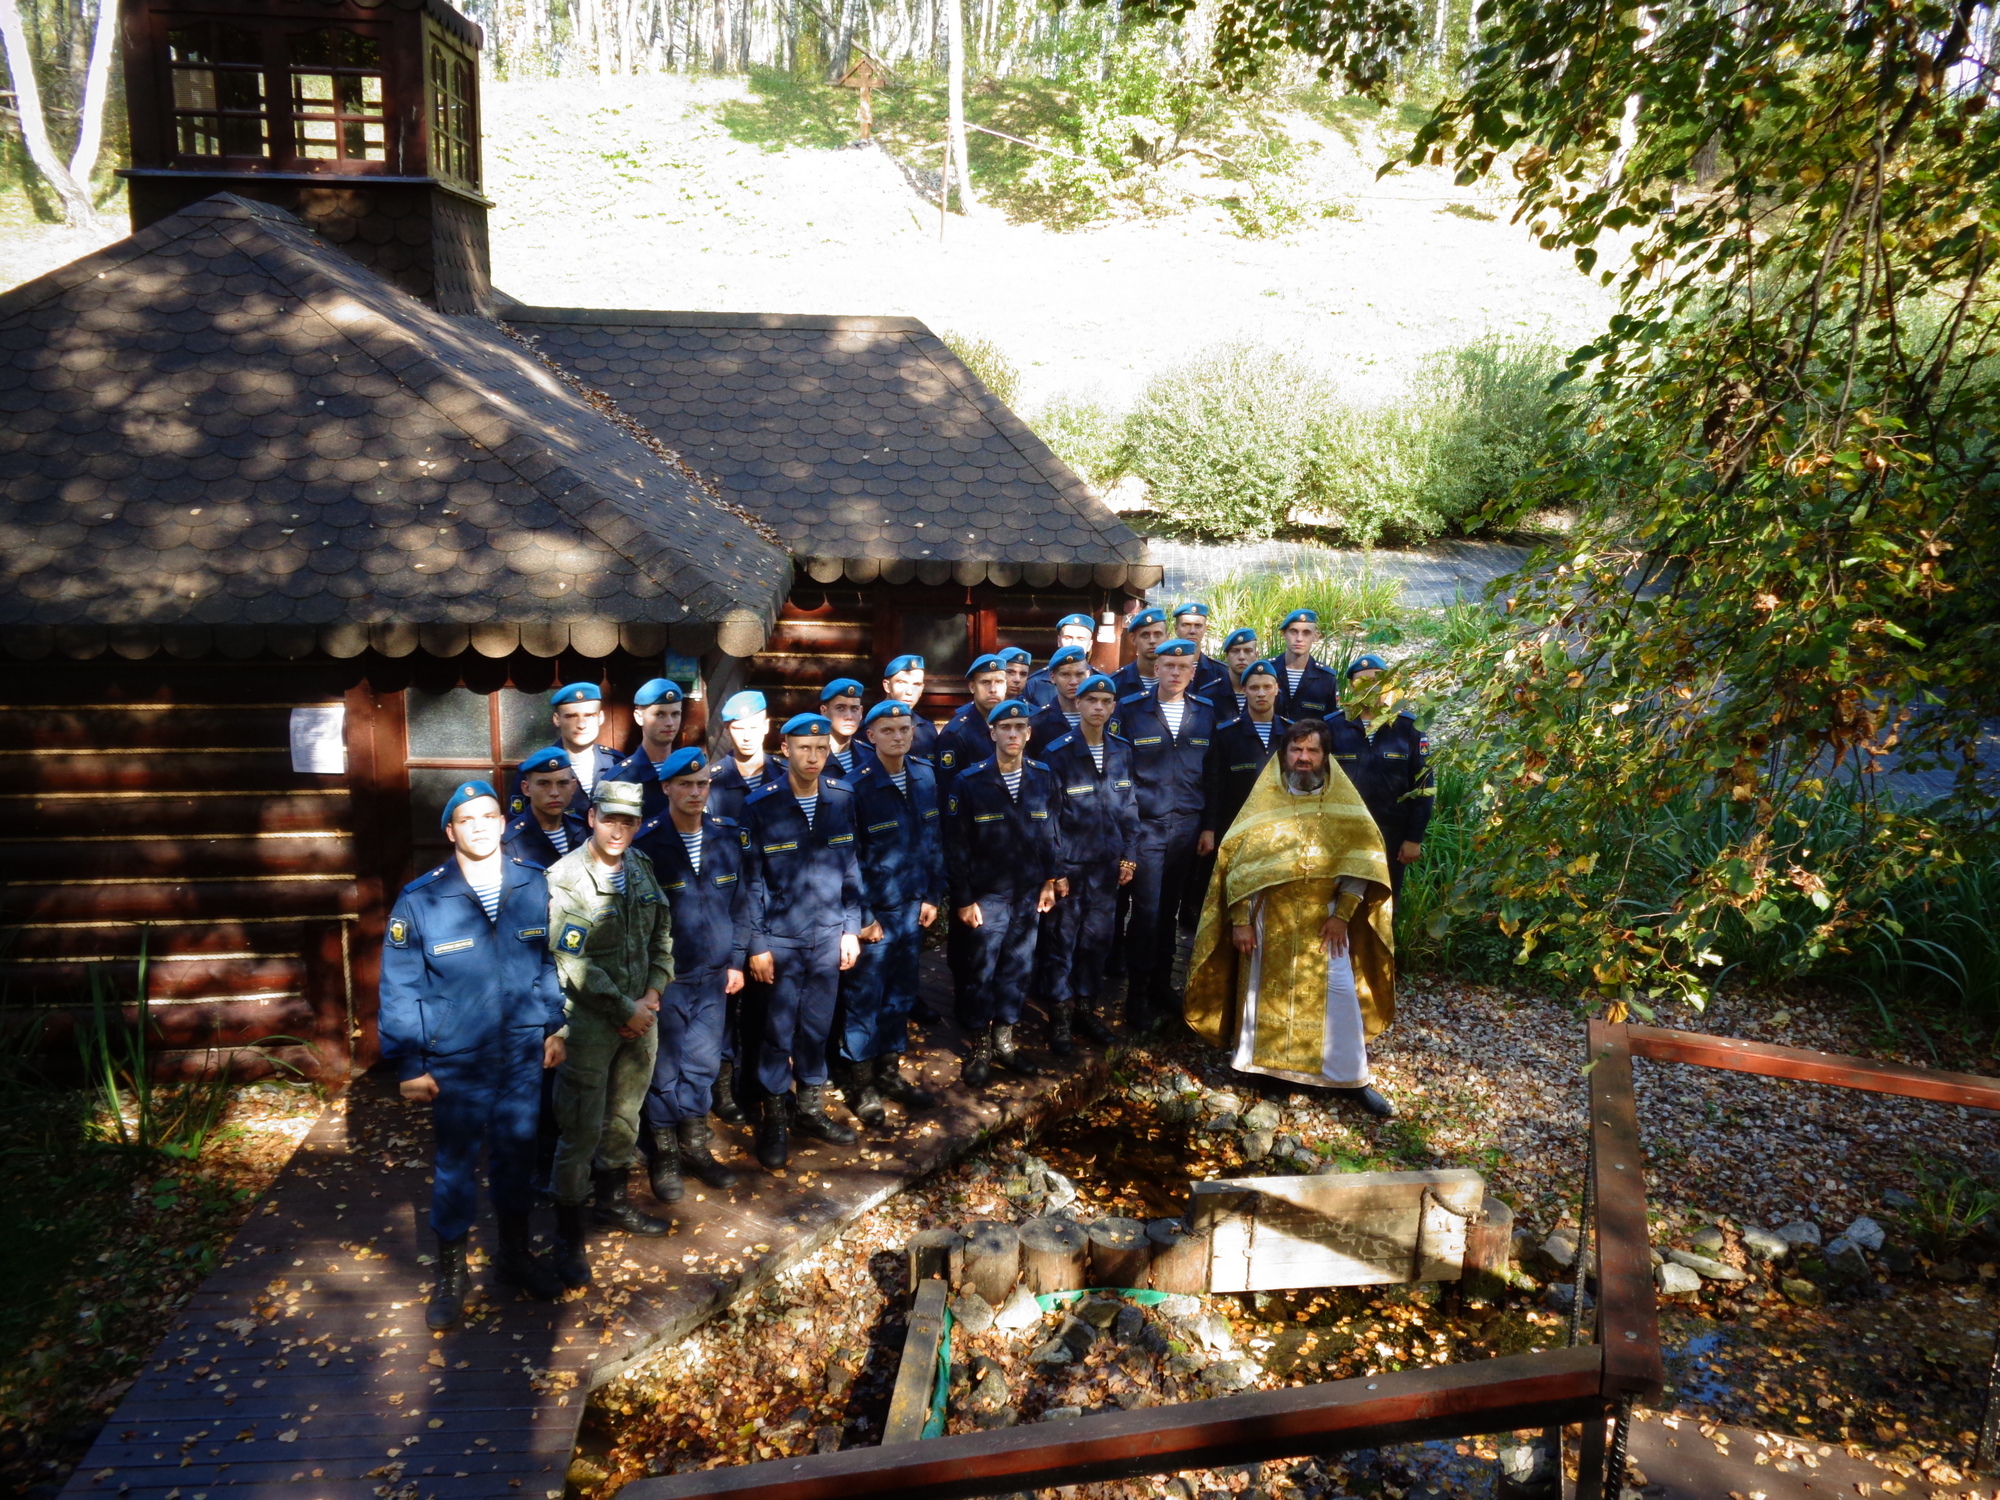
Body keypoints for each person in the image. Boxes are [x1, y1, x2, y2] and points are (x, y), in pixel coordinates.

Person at [381, 780, 568, 1331]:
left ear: (503, 823)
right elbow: (399, 987)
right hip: (456, 1056)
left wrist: (554, 1027)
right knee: (456, 1165)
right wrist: (410, 1064)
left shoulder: (532, 883)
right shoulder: (421, 898)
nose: (480, 826)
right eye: (467, 820)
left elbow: (547, 963)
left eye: (489, 816)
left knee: (517, 1157)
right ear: (451, 832)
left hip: (522, 1050)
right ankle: (452, 1274)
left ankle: (514, 1255)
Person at [1184, 719, 1396, 1117]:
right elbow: (1239, 867)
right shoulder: (1265, 802)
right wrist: (1241, 921)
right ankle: (1271, 1074)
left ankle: (1351, 1078)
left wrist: (1343, 915)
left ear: (1325, 756)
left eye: (1312, 750)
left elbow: (1361, 864)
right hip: (1270, 917)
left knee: (1338, 993)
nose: (1303, 758)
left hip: (1325, 917)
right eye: (1296, 750)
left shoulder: (1346, 806)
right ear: (1284, 755)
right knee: (1265, 995)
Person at [545, 781, 674, 1291]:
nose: (619, 830)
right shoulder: (567, 876)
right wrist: (626, 1008)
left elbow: (662, 934)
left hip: (641, 1020)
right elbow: (571, 959)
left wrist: (652, 994)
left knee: (624, 1119)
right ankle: (568, 1236)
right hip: (590, 1026)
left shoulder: (640, 866)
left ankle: (613, 1204)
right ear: (592, 817)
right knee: (579, 1132)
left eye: (629, 821)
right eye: (610, 819)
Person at [741, 713, 866, 1170]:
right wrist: (757, 944)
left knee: (817, 1027)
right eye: (803, 748)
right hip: (781, 940)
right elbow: (750, 883)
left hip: (829, 935)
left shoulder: (841, 797)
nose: (812, 757)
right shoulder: (761, 804)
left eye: (819, 748)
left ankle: (810, 1111)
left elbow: (851, 867)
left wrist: (851, 928)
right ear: (785, 750)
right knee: (776, 1032)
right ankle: (775, 1117)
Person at [632, 749, 746, 1203]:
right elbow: (637, 922)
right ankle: (664, 1154)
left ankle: (695, 1147)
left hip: (714, 973)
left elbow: (741, 902)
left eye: (702, 784)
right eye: (685, 784)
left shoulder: (726, 835)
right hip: (667, 978)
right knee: (664, 1069)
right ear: (666, 788)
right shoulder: (647, 843)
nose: (696, 792)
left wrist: (737, 959)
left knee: (702, 1063)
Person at [834, 700, 944, 1126]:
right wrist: (862, 918)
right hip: (876, 915)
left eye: (904, 729)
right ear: (871, 736)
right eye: (888, 730)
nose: (898, 736)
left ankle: (889, 1072)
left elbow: (933, 841)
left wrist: (933, 895)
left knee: (900, 994)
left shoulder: (924, 775)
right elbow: (847, 861)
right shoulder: (855, 787)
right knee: (865, 1000)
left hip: (912, 908)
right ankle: (862, 1085)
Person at [945, 700, 1062, 1085]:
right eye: (1005, 728)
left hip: (1027, 893)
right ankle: (980, 1045)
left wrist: (1050, 880)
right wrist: (963, 899)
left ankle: (1005, 1041)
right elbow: (956, 846)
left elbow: (1050, 832)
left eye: (1020, 728)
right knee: (981, 970)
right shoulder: (969, 782)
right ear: (992, 733)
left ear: (1029, 733)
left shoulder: (1043, 776)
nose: (1013, 734)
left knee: (1017, 968)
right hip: (986, 896)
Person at [1109, 638, 1216, 1028]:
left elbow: (1213, 774)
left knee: (1170, 908)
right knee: (1146, 912)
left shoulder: (1205, 713)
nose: (1175, 672)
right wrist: (1127, 833)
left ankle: (1161, 985)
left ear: (1193, 672)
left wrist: (1209, 826)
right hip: (1146, 827)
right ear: (1156, 669)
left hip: (1187, 827)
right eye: (1168, 665)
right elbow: (1119, 775)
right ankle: (1136, 993)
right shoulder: (1131, 710)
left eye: (1183, 666)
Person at [1037, 674, 1138, 1050]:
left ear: (1114, 707)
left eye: (1106, 701)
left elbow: (1129, 807)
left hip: (1106, 867)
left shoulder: (1121, 751)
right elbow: (1048, 820)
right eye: (1091, 700)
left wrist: (1129, 856)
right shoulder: (1057, 753)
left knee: (1097, 941)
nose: (1098, 707)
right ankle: (1060, 1017)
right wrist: (1056, 872)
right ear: (1077, 704)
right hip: (1072, 868)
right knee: (1062, 943)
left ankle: (1086, 1009)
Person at [1329, 655, 1432, 903]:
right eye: (1362, 681)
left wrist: (1414, 838)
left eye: (1377, 681)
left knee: (1384, 905)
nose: (1370, 687)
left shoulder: (1408, 727)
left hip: (1391, 836)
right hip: (1343, 835)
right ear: (1352, 686)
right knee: (1339, 906)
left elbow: (1423, 787)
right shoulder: (1334, 727)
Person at [1201, 660, 1291, 853]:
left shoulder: (1291, 733)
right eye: (1254, 688)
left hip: (1282, 827)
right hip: (1234, 826)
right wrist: (1209, 828)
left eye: (1267, 687)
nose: (1261, 693)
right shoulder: (1226, 734)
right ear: (1244, 691)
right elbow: (1214, 784)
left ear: (1277, 689)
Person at [519, 683, 623, 814]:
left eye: (589, 715)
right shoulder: (536, 768)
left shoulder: (617, 763)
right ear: (557, 719)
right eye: (572, 716)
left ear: (601, 717)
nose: (581, 725)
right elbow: (520, 822)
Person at [603, 678, 687, 819]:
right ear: (639, 717)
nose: (669, 723)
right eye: (659, 714)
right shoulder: (619, 779)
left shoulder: (689, 771)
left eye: (675, 714)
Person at [505, 746, 588, 867]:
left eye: (562, 783)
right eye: (543, 784)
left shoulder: (584, 829)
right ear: (526, 788)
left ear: (573, 786)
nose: (554, 792)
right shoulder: (510, 841)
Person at [707, 689, 779, 823]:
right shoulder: (711, 782)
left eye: (754, 728)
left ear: (766, 726)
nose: (747, 737)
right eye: (739, 729)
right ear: (726, 729)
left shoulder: (785, 775)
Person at [936, 653, 1009, 779]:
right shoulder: (955, 734)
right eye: (985, 682)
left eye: (999, 682)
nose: (993, 689)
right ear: (972, 687)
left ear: (1006, 685)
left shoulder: (1016, 726)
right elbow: (948, 785)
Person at [1275, 610, 1342, 722]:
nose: (1299, 639)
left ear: (1315, 636)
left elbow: (1334, 722)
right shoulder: (1268, 671)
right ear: (1284, 634)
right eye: (1293, 632)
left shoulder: (1326, 679)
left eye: (1306, 633)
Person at [1028, 645, 1091, 755]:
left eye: (1079, 674)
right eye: (1065, 675)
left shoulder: (1100, 718)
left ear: (1088, 675)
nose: (1073, 682)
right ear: (1052, 677)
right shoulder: (1037, 722)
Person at [1023, 614, 1096, 707]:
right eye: (1068, 638)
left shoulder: (1101, 680)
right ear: (1058, 641)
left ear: (1089, 645)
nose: (1073, 643)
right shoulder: (1035, 683)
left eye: (1080, 639)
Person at [880, 654, 938, 762]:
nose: (909, 692)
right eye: (902, 683)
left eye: (916, 684)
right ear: (887, 686)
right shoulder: (869, 727)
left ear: (922, 689)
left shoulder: (927, 729)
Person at [820, 678, 874, 781]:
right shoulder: (813, 757)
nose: (849, 716)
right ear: (824, 711)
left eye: (854, 709)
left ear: (861, 712)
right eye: (840, 708)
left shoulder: (869, 755)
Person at [1172, 602, 1228, 702]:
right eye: (1186, 625)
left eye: (1198, 625)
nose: (1192, 631)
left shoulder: (1220, 672)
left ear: (1205, 629)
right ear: (1176, 629)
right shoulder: (1165, 669)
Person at [1109, 608, 1169, 696]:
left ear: (1167, 637)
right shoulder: (1116, 683)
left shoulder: (1179, 681)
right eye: (1145, 635)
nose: (1152, 641)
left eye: (1157, 635)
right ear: (1133, 639)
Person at [1212, 628, 1262, 719]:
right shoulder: (1210, 694)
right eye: (1235, 651)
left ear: (1256, 655)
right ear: (1226, 656)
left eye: (1247, 651)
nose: (1241, 657)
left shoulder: (1270, 695)